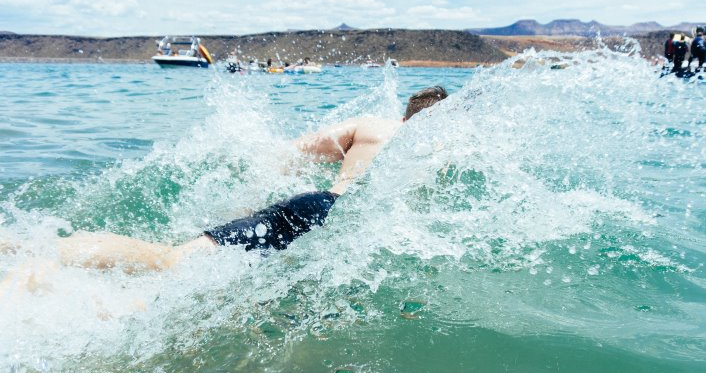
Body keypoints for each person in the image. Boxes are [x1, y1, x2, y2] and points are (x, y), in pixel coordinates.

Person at [5, 86, 449, 277]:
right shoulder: (438, 147)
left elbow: (286, 154)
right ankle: (55, 251)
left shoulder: (371, 126)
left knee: (175, 261)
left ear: (405, 111)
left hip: (312, 203)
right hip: (342, 221)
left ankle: (35, 247)